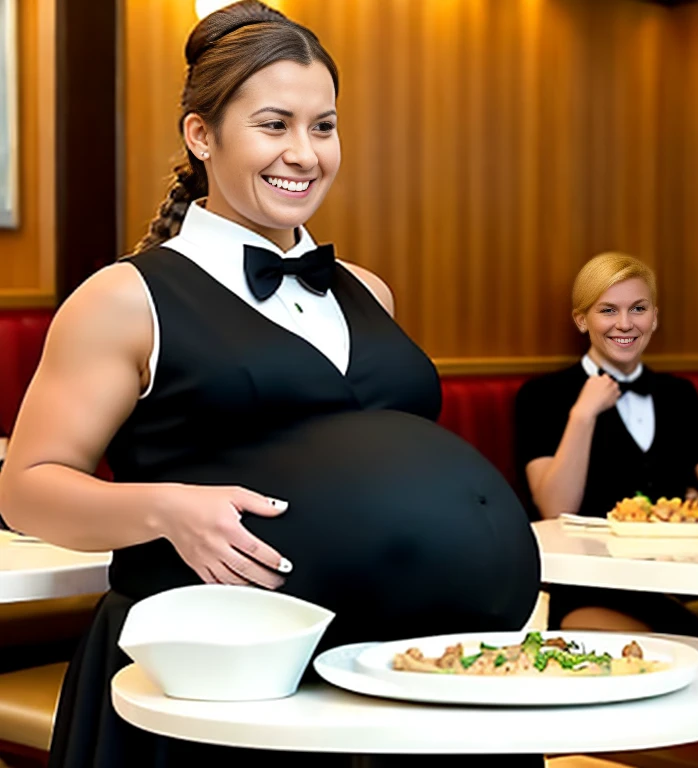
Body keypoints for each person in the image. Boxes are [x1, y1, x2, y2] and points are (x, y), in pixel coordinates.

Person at [0, 3, 540, 766]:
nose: (305, 153)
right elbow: (26, 489)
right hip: (221, 683)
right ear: (201, 135)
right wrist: (167, 508)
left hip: (417, 674)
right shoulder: (126, 299)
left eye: (324, 126)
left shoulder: (367, 290)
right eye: (274, 124)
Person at [515, 252, 698, 633]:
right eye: (608, 310)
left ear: (654, 317)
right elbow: (556, 508)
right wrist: (583, 415)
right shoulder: (543, 396)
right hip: (588, 586)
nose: (625, 324)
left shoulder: (678, 394)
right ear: (581, 320)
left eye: (638, 309)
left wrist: (658, 515)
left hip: (671, 587)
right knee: (687, 651)